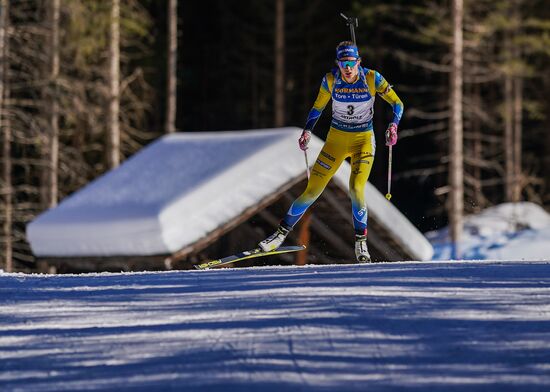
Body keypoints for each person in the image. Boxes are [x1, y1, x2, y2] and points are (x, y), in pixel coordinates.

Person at [259, 41, 404, 262]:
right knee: (311, 191)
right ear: (338, 63)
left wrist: (393, 125)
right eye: (343, 63)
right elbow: (317, 108)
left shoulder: (372, 78)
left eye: (351, 63)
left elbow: (398, 104)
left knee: (356, 189)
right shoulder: (330, 80)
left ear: (358, 62)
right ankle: (279, 236)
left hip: (363, 141)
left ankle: (361, 244)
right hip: (336, 141)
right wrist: (307, 131)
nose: (347, 68)